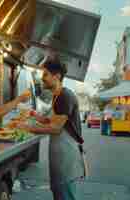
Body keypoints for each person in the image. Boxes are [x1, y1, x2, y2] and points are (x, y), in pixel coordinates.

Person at [16, 59, 84, 200]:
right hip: (59, 155)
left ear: (57, 76)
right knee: (59, 193)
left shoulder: (65, 96)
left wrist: (28, 127)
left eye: (45, 74)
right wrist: (35, 115)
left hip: (66, 156)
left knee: (64, 194)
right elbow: (51, 120)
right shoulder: (57, 96)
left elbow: (55, 128)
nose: (42, 78)